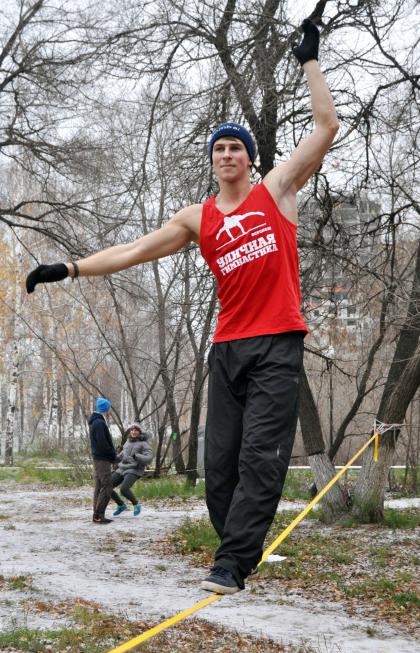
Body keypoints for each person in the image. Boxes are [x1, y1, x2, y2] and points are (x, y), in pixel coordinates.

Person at [26, 20, 339, 592]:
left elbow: (326, 126)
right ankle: (236, 547)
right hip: (226, 348)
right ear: (212, 160)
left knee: (260, 459)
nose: (226, 154)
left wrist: (309, 62)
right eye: (218, 148)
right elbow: (132, 251)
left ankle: (234, 562)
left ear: (249, 157)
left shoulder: (278, 192)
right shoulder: (199, 219)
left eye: (235, 147)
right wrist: (68, 268)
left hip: (277, 344)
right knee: (218, 466)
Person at [110, 423, 153, 517]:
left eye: (136, 430)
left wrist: (137, 456)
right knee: (107, 486)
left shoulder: (144, 444)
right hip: (122, 468)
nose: (133, 432)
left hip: (134, 469)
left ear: (140, 432)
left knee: (124, 489)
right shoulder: (128, 441)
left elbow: (149, 458)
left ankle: (136, 504)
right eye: (132, 430)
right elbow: (122, 454)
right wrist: (114, 458)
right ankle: (121, 505)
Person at [89, 397, 117, 524]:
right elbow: (103, 444)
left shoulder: (97, 421)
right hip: (102, 459)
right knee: (107, 486)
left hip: (99, 458)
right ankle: (99, 515)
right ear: (106, 408)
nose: (110, 409)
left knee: (99, 486)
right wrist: (113, 456)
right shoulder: (99, 423)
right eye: (109, 407)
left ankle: (97, 514)